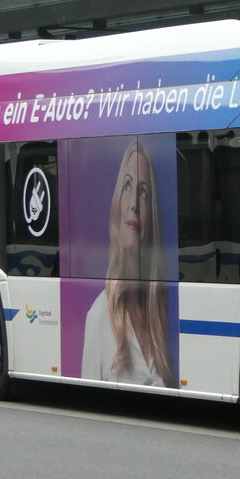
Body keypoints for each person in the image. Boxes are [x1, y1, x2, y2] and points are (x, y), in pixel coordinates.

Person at [81, 140, 173, 386]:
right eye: (128, 186)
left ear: (151, 211)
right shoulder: (99, 317)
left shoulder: (162, 312)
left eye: (143, 192)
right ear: (117, 205)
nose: (133, 204)